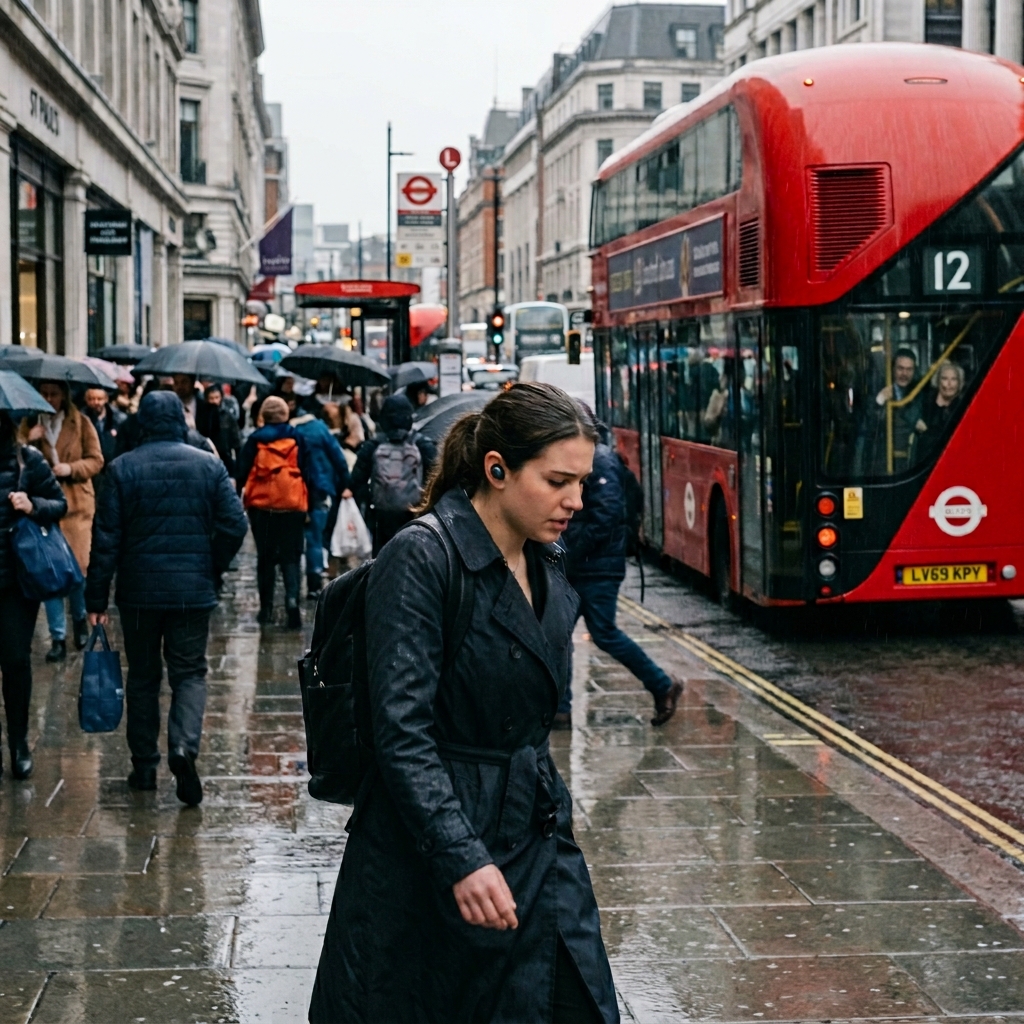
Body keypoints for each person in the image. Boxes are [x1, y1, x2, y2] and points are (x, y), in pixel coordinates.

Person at [309, 381, 618, 1024]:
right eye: (559, 481)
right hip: (429, 846)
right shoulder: (422, 557)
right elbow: (403, 731)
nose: (576, 501)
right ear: (497, 469)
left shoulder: (546, 558)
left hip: (534, 836)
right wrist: (461, 856)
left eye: (582, 482)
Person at [85, 392, 248, 805]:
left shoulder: (122, 469)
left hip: (139, 593)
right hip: (192, 591)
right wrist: (212, 566)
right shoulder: (208, 466)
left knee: (142, 677)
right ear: (180, 419)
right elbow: (234, 524)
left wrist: (96, 599)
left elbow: (105, 541)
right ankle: (183, 746)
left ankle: (144, 765)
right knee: (190, 673)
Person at [561, 416, 683, 731]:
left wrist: (572, 547)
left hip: (598, 566)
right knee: (558, 633)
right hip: (585, 565)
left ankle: (661, 684)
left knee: (603, 632)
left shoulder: (600, 462)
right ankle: (559, 707)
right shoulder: (589, 459)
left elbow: (607, 515)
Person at [0, 410, 67, 780]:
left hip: (16, 581)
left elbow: (60, 505)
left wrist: (32, 505)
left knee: (14, 660)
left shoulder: (28, 460)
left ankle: (19, 742)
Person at [20, 380, 103, 660]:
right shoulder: (29, 422)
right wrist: (29, 440)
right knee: (49, 571)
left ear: (64, 396)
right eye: (44, 394)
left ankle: (79, 618)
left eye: (54, 394)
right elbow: (13, 457)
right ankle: (58, 636)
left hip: (77, 504)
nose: (49, 399)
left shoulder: (80, 422)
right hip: (43, 505)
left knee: (77, 570)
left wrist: (71, 468)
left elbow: (96, 460)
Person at [236, 395, 311, 627]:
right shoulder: (297, 437)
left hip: (262, 506)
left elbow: (241, 471)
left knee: (266, 559)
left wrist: (240, 494)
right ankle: (291, 602)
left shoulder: (255, 439)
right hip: (292, 505)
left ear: (264, 416)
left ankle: (266, 608)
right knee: (291, 557)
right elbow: (309, 470)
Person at [349, 393, 437, 555]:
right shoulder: (422, 444)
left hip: (382, 515)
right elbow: (437, 479)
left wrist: (370, 503)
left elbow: (356, 481)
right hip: (415, 514)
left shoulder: (373, 445)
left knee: (383, 558)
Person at [285, 397, 353, 598]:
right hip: (319, 488)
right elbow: (338, 457)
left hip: (292, 489)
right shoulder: (320, 429)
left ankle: (292, 589)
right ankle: (314, 583)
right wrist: (347, 483)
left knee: (294, 539)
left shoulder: (289, 430)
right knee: (315, 536)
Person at [872, 348, 923, 473]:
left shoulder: (920, 391)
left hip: (912, 461)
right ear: (892, 369)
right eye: (900, 368)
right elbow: (871, 423)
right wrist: (879, 401)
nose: (904, 374)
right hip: (884, 459)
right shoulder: (879, 389)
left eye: (909, 369)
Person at [914, 359, 964, 462]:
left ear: (959, 383)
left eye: (954, 379)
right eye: (944, 379)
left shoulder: (963, 407)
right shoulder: (925, 404)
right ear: (937, 381)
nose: (949, 384)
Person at [202, 383, 242, 477]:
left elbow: (236, 438)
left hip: (225, 455)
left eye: (217, 397)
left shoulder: (228, 416)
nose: (215, 401)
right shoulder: (203, 415)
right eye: (211, 398)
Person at [82, 386, 126, 471]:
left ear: (106, 399)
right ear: (86, 400)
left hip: (113, 465)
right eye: (91, 399)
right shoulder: (81, 419)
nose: (96, 402)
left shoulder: (119, 419)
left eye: (99, 399)